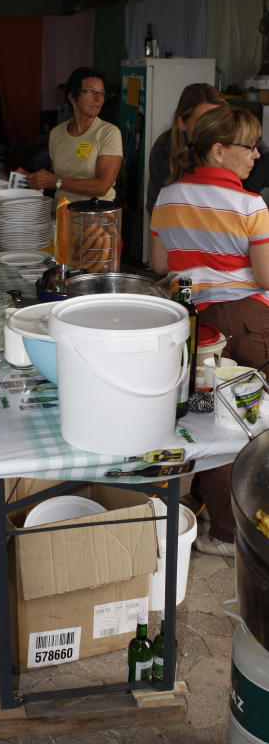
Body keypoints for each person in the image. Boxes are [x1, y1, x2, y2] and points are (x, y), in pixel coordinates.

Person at [150, 105, 269, 556]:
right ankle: (225, 531)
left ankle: (201, 506)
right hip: (245, 322)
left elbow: (160, 264)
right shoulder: (250, 205)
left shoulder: (168, 195)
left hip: (192, 327)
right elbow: (265, 277)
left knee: (205, 416)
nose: (256, 155)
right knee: (241, 424)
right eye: (249, 146)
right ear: (219, 151)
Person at [146, 82, 269, 214]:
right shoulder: (164, 150)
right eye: (204, 124)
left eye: (221, 123)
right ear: (182, 123)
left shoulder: (252, 150)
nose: (214, 132)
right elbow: (157, 210)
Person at [17, 67, 122, 209]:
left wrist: (56, 181)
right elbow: (55, 179)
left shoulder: (108, 133)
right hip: (61, 213)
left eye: (102, 93)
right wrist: (30, 178)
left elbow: (102, 186)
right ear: (72, 97)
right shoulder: (57, 133)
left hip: (95, 215)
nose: (98, 98)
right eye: (91, 91)